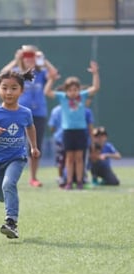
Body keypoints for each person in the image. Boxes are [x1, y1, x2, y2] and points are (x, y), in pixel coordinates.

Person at [0, 70, 40, 239]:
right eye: (4, 88)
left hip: (16, 158)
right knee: (1, 196)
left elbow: (30, 127)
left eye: (14, 88)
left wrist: (33, 147)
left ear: (21, 91)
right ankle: (7, 205)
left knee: (9, 184)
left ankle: (11, 222)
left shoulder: (25, 113)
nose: (9, 92)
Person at [1, 45, 58, 187]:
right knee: (10, 143)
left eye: (32, 56)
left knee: (35, 146)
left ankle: (33, 177)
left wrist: (43, 60)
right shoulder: (16, 73)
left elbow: (54, 74)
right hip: (17, 112)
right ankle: (7, 176)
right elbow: (3, 73)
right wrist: (16, 60)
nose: (29, 59)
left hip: (38, 113)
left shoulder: (41, 72)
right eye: (26, 56)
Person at [44, 61, 100, 190]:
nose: (73, 92)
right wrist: (51, 79)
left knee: (79, 158)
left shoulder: (83, 96)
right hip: (67, 131)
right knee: (69, 158)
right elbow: (47, 92)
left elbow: (95, 87)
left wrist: (95, 73)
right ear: (66, 90)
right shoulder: (63, 97)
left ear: (79, 90)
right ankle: (69, 182)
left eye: (75, 89)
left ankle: (80, 181)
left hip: (81, 131)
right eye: (70, 90)